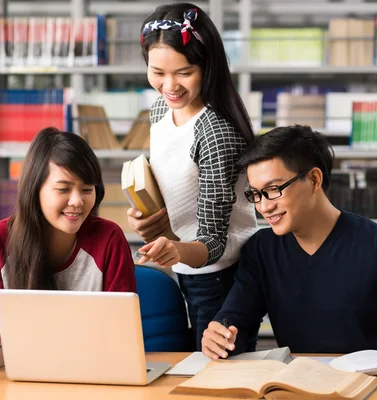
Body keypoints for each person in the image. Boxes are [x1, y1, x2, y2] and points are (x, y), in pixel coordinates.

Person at [201, 125, 377, 383]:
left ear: (315, 179)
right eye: (256, 194)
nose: (264, 206)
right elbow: (236, 320)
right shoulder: (261, 250)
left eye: (273, 190)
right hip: (299, 386)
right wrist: (220, 335)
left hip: (374, 386)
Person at [128, 3, 259, 350]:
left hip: (221, 277)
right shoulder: (160, 109)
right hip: (185, 268)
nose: (169, 86)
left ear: (207, 66)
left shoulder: (215, 132)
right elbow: (175, 185)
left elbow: (214, 242)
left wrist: (173, 246)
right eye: (157, 72)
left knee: (217, 375)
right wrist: (148, 215)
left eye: (184, 72)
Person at [0, 127, 136, 322]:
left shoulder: (109, 238)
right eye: (63, 189)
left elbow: (121, 328)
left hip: (93, 353)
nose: (77, 201)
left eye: (87, 189)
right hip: (17, 354)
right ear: (35, 189)